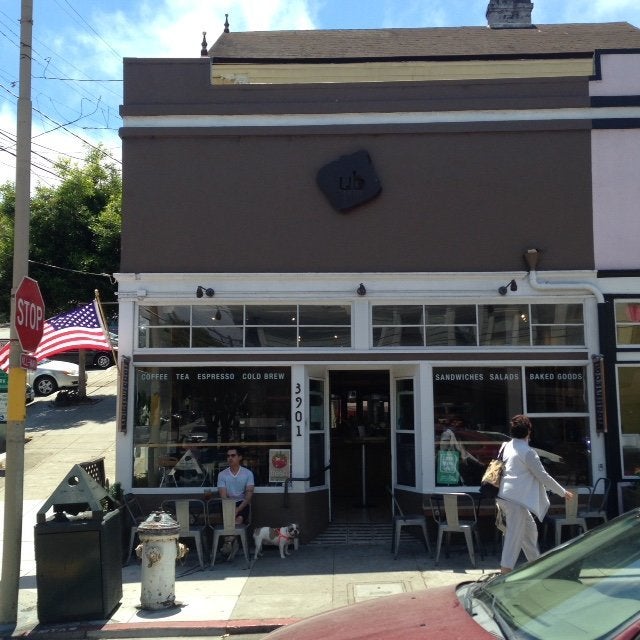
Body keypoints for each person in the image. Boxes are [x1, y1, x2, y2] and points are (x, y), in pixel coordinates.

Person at [496, 414, 574, 573]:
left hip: (504, 496)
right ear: (528, 432)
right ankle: (505, 571)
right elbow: (542, 476)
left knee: (530, 530)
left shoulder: (506, 446)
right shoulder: (528, 452)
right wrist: (562, 492)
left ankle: (536, 566)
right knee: (514, 536)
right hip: (516, 500)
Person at [217, 446, 255, 560]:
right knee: (230, 520)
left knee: (238, 519)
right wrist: (231, 509)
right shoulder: (222, 474)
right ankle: (233, 543)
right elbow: (223, 496)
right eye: (228, 456)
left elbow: (248, 495)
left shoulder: (248, 474)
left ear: (240, 457)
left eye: (233, 455)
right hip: (227, 503)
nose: (230, 458)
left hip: (242, 503)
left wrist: (238, 509)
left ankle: (227, 543)